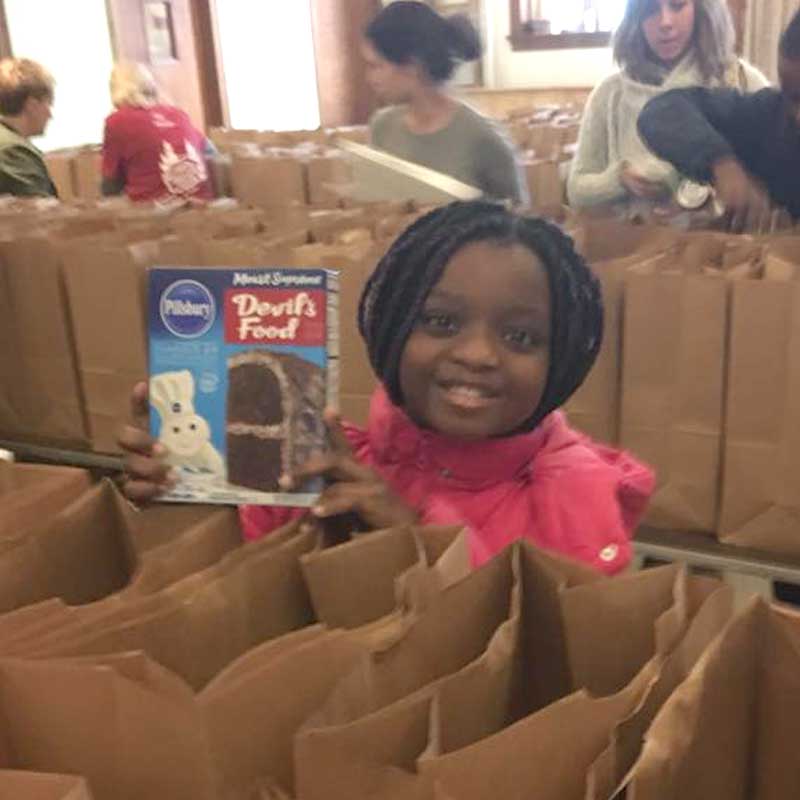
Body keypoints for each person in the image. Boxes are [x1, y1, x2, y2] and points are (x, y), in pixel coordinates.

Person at [118, 201, 654, 575]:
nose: (478, 355)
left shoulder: (572, 494)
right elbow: (230, 585)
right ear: (393, 327)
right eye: (441, 323)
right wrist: (184, 486)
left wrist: (419, 540)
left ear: (560, 356)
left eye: (520, 336)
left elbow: (561, 647)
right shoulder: (330, 462)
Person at [567, 0, 768, 219]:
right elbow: (576, 191)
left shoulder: (742, 81)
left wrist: (732, 182)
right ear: (635, 18)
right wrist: (619, 179)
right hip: (642, 248)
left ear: (702, 10)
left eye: (677, 5)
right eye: (650, 10)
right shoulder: (609, 94)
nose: (665, 22)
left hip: (730, 248)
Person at [638, 7, 800, 229]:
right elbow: (662, 111)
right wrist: (722, 163)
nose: (797, 115)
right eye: (793, 98)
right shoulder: (769, 114)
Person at [363, 1, 528, 205]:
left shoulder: (483, 139)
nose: (370, 78)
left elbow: (519, 223)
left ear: (412, 66)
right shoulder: (382, 127)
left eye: (376, 66)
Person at [101, 62, 214, 202]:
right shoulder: (177, 113)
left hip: (155, 212)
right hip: (200, 204)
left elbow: (110, 183)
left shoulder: (116, 121)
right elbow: (210, 151)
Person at [0, 58, 57, 197]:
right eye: (48, 104)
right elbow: (42, 214)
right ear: (32, 105)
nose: (50, 115)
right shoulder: (14, 151)